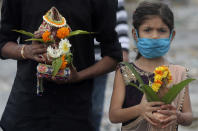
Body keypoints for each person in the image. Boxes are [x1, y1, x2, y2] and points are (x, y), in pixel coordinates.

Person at [0, 0, 122, 130]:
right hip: (26, 109)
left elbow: (113, 56)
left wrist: (78, 76)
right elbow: (3, 43)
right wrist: (25, 51)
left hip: (74, 110)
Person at [109, 1, 193, 131]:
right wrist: (140, 110)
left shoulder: (179, 72)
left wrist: (177, 115)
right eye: (147, 30)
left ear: (172, 35)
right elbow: (114, 115)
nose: (154, 36)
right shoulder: (125, 71)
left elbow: (188, 117)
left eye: (162, 30)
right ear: (135, 34)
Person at [91, 0, 130, 130]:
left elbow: (119, 18)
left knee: (95, 107)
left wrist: (123, 49)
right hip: (72, 56)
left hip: (100, 58)